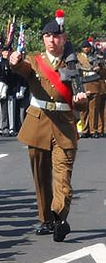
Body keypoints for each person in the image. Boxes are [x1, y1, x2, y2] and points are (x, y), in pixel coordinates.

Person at [9, 19, 87, 242]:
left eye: (56, 36)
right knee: (41, 176)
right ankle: (46, 219)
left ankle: (59, 216)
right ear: (43, 38)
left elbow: (82, 99)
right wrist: (14, 61)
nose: (52, 40)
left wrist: (81, 100)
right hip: (38, 123)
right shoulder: (36, 60)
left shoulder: (76, 62)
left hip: (64, 124)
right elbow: (22, 69)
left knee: (62, 175)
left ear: (64, 38)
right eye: (48, 36)